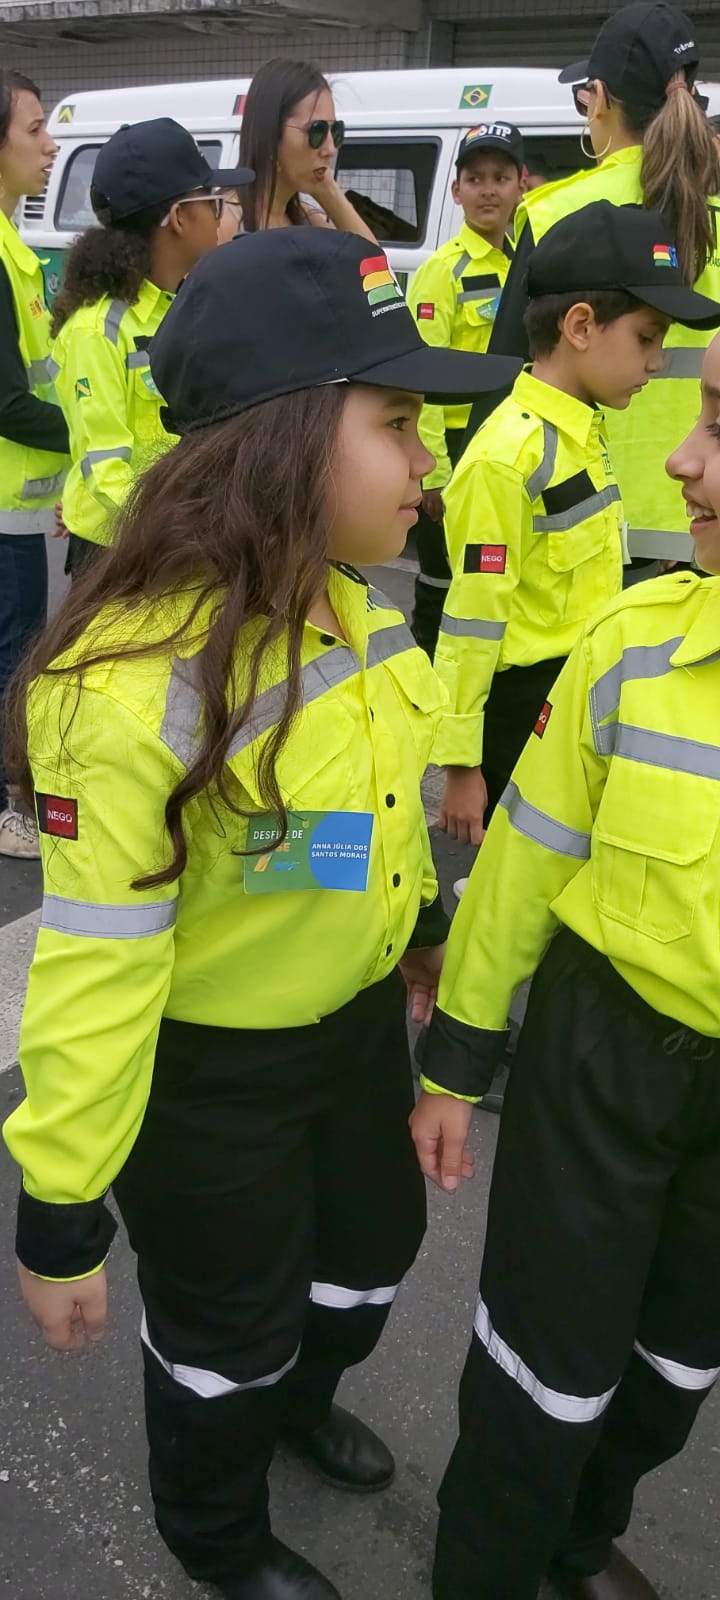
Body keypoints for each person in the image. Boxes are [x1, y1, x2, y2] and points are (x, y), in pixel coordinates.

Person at [3, 228, 519, 1600]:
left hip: (349, 1038)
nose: (428, 458)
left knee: (370, 1259)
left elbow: (362, 823)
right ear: (283, 442)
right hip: (209, 1082)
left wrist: (419, 932)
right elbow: (100, 969)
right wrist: (61, 1213)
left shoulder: (359, 607)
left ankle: (296, 1399)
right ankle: (216, 1534)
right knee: (223, 1336)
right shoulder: (129, 689)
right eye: (396, 421)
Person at [410, 330, 720, 1600]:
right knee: (540, 1375)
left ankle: (577, 1546)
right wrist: (456, 1060)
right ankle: (488, 1572)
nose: (685, 462)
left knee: (674, 1370)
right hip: (604, 1055)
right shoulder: (636, 644)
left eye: (719, 426)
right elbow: (525, 866)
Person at [434, 201, 720, 858]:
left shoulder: (579, 431)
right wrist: (461, 762)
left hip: (577, 687)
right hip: (523, 704)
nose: (657, 362)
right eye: (647, 338)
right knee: (521, 861)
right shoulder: (508, 458)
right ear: (582, 326)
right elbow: (472, 618)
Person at [465, 1, 720, 579]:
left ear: (598, 98)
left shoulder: (557, 211)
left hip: (590, 521)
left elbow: (506, 377)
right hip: (706, 516)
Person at [49, 117, 252, 581]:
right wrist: (192, 532)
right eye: (213, 203)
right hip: (119, 553)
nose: (221, 217)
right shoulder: (97, 331)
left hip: (178, 537)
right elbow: (106, 471)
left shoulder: (181, 305)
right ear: (179, 217)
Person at [405, 122, 524, 659]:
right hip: (455, 449)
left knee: (494, 575)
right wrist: (433, 473)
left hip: (509, 445)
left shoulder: (524, 265)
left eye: (500, 177)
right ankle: (425, 678)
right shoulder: (442, 271)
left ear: (521, 185)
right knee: (442, 580)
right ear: (456, 191)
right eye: (475, 179)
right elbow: (422, 375)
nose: (488, 190)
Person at [0, 69, 69, 861]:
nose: (50, 145)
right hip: (6, 508)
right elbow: (7, 401)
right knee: (10, 656)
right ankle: (6, 806)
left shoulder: (15, 250)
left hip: (20, 503)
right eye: (35, 129)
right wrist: (95, 431)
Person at [238, 56, 375, 241]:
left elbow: (372, 258)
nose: (330, 149)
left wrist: (329, 191)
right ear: (270, 134)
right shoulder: (223, 223)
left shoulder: (307, 220)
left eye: (335, 131)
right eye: (316, 131)